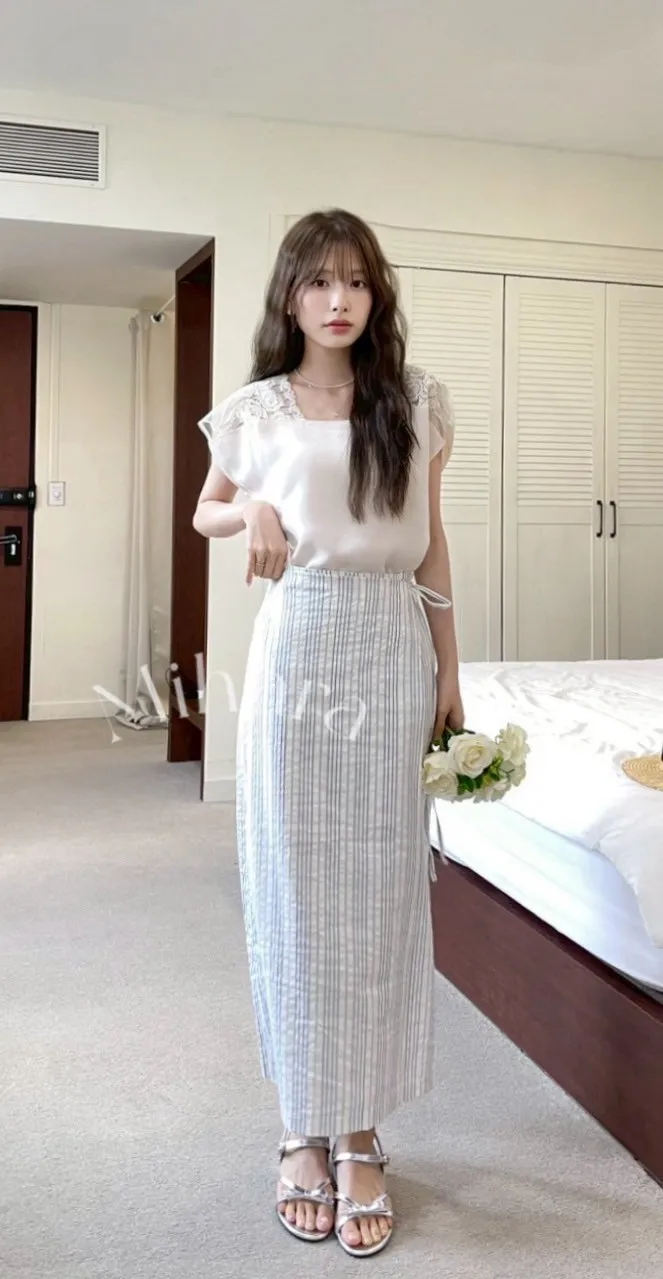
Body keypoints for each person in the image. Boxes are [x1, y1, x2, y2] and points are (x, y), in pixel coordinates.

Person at [193, 208, 463, 1258]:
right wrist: (251, 512)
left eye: (355, 280)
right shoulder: (257, 409)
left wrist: (450, 672)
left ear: (374, 293)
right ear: (291, 297)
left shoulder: (414, 400)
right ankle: (302, 1125)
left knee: (380, 884)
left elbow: (430, 546)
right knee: (296, 882)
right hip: (299, 642)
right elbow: (208, 510)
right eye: (318, 281)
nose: (338, 300)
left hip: (391, 642)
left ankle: (361, 1133)